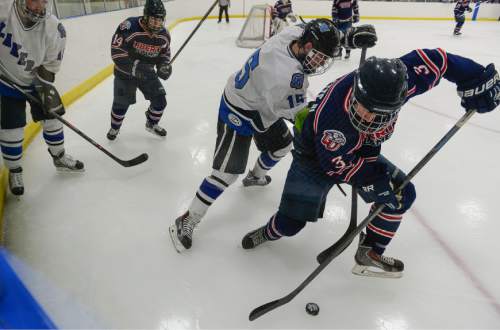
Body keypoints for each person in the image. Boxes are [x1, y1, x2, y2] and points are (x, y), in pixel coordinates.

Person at [241, 48, 500, 278]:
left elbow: (440, 60)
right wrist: (374, 182)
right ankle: (270, 231)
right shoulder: (332, 120)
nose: (370, 117)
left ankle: (370, 252)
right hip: (315, 158)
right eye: (366, 107)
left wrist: (477, 80)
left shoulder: (403, 80)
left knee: (402, 195)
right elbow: (336, 165)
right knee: (291, 223)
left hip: (359, 148)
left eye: (382, 112)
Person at [169, 19, 378, 252]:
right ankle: (187, 218)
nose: (321, 63)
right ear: (307, 47)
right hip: (239, 110)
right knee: (225, 175)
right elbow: (302, 119)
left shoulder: (295, 34)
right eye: (319, 57)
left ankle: (255, 176)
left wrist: (347, 37)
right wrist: (334, 136)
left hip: (264, 105)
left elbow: (317, 29)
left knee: (281, 146)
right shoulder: (284, 76)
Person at [0, 0, 84, 197]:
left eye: (43, 1)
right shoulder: (4, 8)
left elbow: (50, 68)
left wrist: (40, 90)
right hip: (5, 80)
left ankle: (59, 157)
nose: (39, 5)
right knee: (12, 131)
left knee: (53, 117)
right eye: (34, 0)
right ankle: (14, 171)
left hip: (37, 81)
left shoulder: (55, 29)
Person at [107, 0, 172, 141]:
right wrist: (135, 67)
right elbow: (117, 52)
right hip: (125, 74)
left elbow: (165, 54)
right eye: (154, 20)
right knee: (121, 104)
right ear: (145, 17)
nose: (157, 24)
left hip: (147, 74)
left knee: (160, 102)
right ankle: (115, 127)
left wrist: (164, 65)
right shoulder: (129, 27)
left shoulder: (164, 35)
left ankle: (151, 123)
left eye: (160, 20)